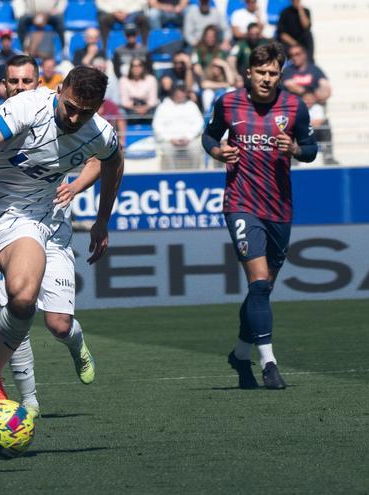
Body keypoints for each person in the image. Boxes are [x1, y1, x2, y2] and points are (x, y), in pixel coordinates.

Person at [0, 66, 124, 458]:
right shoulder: (29, 106)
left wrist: (103, 219)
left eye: (85, 113)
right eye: (70, 107)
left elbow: (113, 162)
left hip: (24, 219)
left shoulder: (100, 133)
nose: (75, 119)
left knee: (23, 299)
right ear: (59, 90)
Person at [0, 55, 107, 417]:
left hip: (52, 228)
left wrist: (78, 186)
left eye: (26, 82)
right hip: (9, 226)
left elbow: (103, 157)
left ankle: (76, 342)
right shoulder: (3, 121)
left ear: (41, 85)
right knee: (16, 309)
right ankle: (30, 402)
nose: (19, 88)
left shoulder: (72, 119)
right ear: (4, 86)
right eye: (13, 82)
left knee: (58, 323)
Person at [201, 42, 317, 390]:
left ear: (280, 75)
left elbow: (311, 150)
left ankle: (239, 353)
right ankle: (269, 362)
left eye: (273, 73)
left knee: (261, 292)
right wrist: (218, 151)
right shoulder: (228, 102)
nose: (267, 79)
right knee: (259, 282)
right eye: (261, 72)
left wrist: (295, 148)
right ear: (249, 73)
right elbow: (209, 136)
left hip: (280, 207)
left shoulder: (295, 106)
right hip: (241, 202)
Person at [282, 44, 336, 164]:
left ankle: (329, 157)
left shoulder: (315, 70)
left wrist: (311, 97)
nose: (294, 57)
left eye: (298, 54)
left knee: (325, 125)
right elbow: (290, 85)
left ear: (304, 55)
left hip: (313, 109)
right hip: (295, 112)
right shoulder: (288, 71)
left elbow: (326, 90)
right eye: (292, 55)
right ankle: (293, 159)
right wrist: (309, 94)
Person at [153, 82, 205, 169]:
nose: (181, 94)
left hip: (190, 140)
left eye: (183, 91)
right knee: (167, 149)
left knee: (196, 148)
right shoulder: (163, 107)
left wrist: (188, 137)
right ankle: (172, 176)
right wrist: (170, 139)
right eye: (179, 91)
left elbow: (199, 123)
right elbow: (157, 126)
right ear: (173, 92)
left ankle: (194, 175)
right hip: (169, 141)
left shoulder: (191, 105)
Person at [119, 57, 158, 124]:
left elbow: (153, 100)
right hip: (130, 109)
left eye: (139, 66)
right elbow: (124, 101)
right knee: (120, 112)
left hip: (148, 109)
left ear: (143, 67)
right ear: (130, 68)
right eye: (134, 66)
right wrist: (136, 108)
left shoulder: (151, 79)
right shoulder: (123, 80)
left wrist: (144, 108)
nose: (136, 68)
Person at [0, 30, 21, 99]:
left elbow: (22, 74)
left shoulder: (18, 57)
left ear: (11, 41)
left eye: (8, 40)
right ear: (0, 42)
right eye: (4, 40)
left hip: (15, 88)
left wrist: (11, 86)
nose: (6, 43)